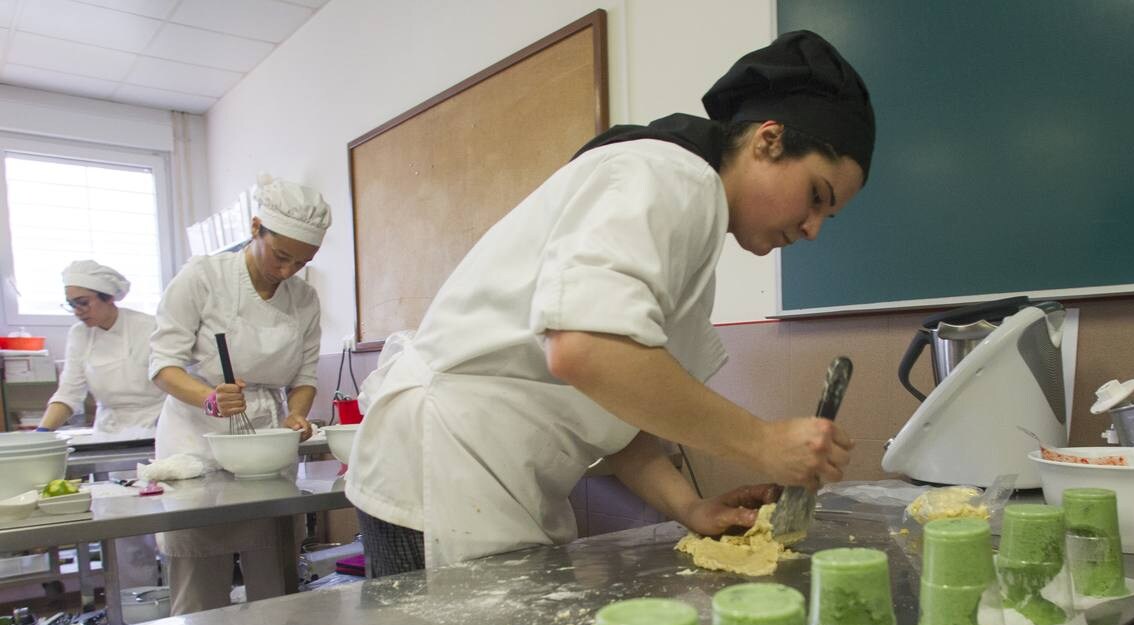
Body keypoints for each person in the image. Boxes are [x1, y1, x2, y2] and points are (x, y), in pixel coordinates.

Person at [345, 30, 874, 576]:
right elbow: (583, 350)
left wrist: (690, 507)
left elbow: (620, 410)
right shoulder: (668, 177)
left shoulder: (689, 216)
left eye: (826, 218)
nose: (812, 229)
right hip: (441, 471)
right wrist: (762, 443)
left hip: (485, 477)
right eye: (816, 196)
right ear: (769, 140)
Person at [148, 175, 330, 615]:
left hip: (266, 444)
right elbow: (163, 365)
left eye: (300, 263)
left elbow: (304, 376)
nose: (287, 272)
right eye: (281, 256)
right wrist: (209, 397)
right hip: (198, 440)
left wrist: (297, 416)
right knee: (201, 589)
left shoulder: (303, 298)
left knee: (275, 582)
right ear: (255, 229)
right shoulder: (204, 277)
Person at [37, 261, 163, 436]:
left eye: (83, 302)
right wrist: (41, 432)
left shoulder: (150, 327)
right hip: (108, 430)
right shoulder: (79, 334)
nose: (77, 311)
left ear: (109, 297)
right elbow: (69, 392)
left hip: (158, 424)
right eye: (72, 304)